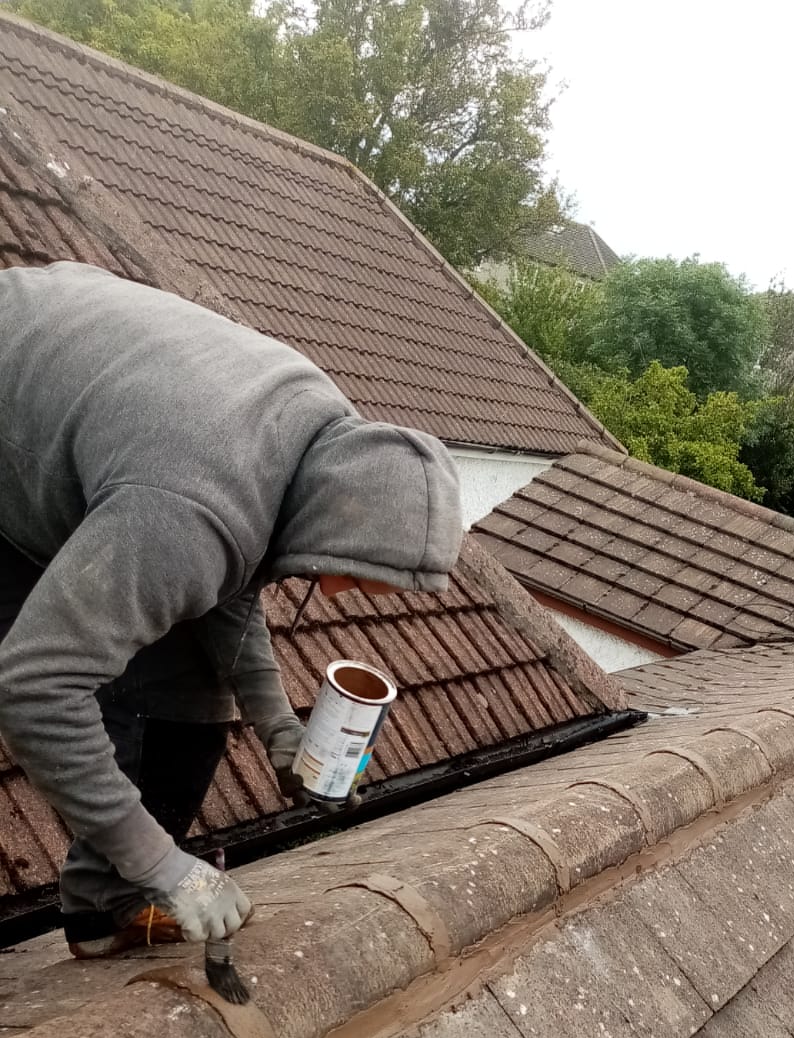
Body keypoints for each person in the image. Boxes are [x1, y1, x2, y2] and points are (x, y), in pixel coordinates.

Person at [0, 262, 464, 956]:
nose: (343, 595)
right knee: (98, 685)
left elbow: (228, 584)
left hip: (96, 424)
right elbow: (32, 687)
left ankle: (103, 908)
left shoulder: (316, 437)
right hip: (18, 404)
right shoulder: (190, 508)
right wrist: (169, 869)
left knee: (189, 697)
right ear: (333, 524)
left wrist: (279, 729)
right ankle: (133, 880)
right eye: (355, 575)